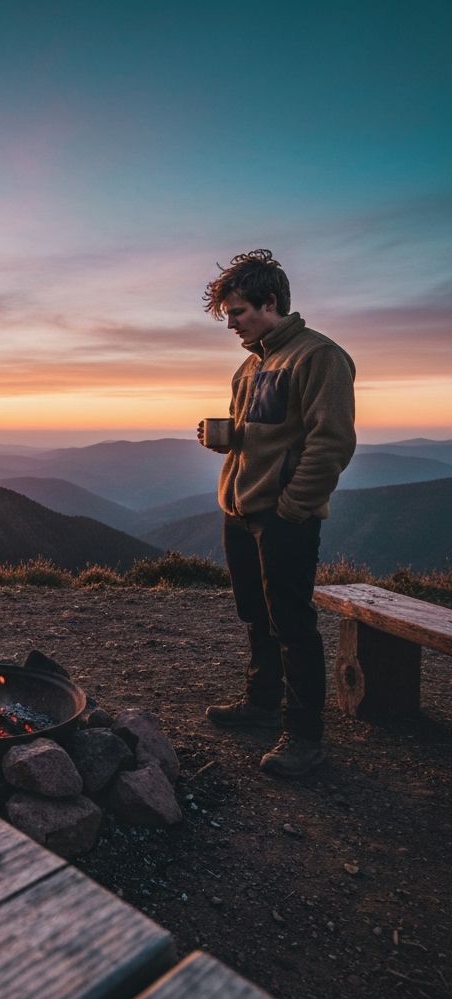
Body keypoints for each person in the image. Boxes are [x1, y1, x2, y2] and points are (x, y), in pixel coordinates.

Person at [198, 249, 356, 777]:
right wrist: (225, 438)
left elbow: (330, 442)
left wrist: (292, 507)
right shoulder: (251, 365)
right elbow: (263, 434)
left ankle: (305, 737)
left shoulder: (319, 357)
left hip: (283, 516)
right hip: (241, 511)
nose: (232, 324)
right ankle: (262, 703)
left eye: (238, 312)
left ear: (270, 302)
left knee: (292, 623)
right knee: (256, 614)